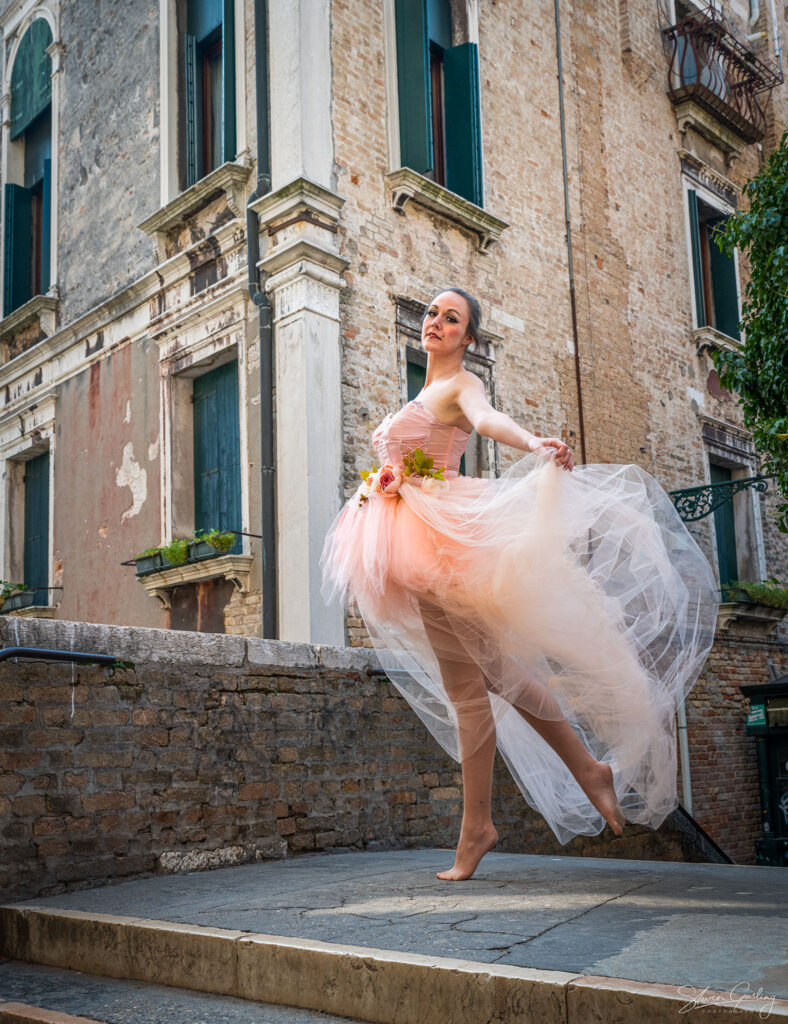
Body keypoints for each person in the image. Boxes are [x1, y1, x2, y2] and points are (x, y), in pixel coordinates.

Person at [321, 288, 719, 881]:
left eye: (451, 319)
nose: (436, 322)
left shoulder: (460, 387)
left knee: (472, 685)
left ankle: (487, 823)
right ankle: (576, 775)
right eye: (432, 313)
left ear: (467, 338)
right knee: (489, 676)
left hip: (437, 542)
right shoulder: (426, 391)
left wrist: (532, 443)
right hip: (418, 538)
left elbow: (486, 419)